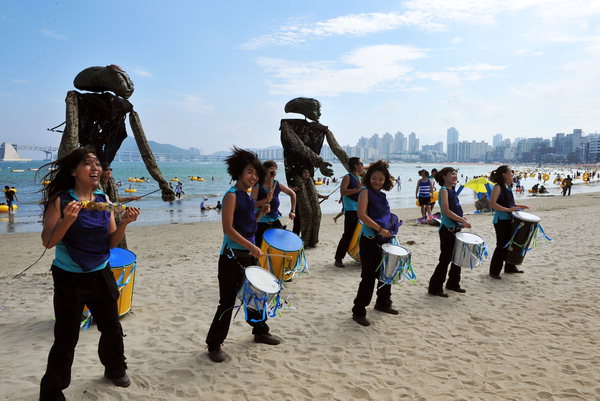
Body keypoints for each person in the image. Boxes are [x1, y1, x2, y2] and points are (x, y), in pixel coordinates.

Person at [38, 146, 140, 401]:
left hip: (100, 272)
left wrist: (125, 222)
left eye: (97, 164)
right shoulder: (61, 201)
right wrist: (68, 219)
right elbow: (48, 242)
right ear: (73, 171)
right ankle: (52, 391)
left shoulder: (103, 200)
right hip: (68, 277)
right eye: (87, 163)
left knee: (112, 327)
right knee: (66, 336)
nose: (95, 168)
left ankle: (115, 369)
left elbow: (110, 244)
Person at [205, 147, 282, 363]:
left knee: (256, 296)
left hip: (249, 254)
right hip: (232, 257)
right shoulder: (231, 196)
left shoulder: (248, 197)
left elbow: (248, 226)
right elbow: (228, 229)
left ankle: (260, 332)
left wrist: (260, 213)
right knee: (227, 302)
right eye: (250, 172)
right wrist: (252, 246)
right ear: (239, 172)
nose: (253, 177)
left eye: (256, 174)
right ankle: (214, 344)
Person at [351, 160, 400, 326]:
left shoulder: (382, 195)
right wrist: (379, 229)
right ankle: (358, 311)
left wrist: (389, 228)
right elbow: (361, 215)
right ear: (368, 178)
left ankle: (383, 303)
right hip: (370, 240)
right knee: (368, 277)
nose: (377, 182)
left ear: (385, 180)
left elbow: (384, 214)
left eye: (381, 179)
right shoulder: (365, 192)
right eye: (374, 178)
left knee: (386, 273)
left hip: (384, 238)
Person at [427, 167, 471, 297]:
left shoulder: (452, 190)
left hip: (456, 228)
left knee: (457, 258)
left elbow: (455, 208)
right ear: (444, 177)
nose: (455, 176)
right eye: (452, 174)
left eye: (455, 174)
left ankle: (453, 284)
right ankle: (434, 288)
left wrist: (462, 219)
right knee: (445, 259)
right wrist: (462, 220)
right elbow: (446, 211)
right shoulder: (444, 191)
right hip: (447, 229)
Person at [488, 166, 529, 279]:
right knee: (501, 245)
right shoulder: (498, 187)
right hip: (500, 220)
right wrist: (508, 210)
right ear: (504, 174)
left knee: (511, 244)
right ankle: (494, 271)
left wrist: (518, 206)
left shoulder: (508, 187)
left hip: (509, 219)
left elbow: (509, 203)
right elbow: (492, 204)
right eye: (511, 172)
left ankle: (509, 267)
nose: (513, 174)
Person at [251, 160, 297, 247]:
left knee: (280, 245)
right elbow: (252, 204)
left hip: (274, 220)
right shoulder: (258, 185)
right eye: (271, 168)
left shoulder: (277, 184)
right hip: (260, 221)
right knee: (260, 247)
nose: (274, 170)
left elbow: (293, 194)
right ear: (264, 170)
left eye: (276, 169)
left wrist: (293, 210)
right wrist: (266, 200)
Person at [334, 157, 365, 268]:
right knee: (348, 235)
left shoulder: (360, 178)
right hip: (351, 210)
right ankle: (338, 258)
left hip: (361, 211)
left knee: (362, 234)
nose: (363, 165)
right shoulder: (348, 177)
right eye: (361, 163)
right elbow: (343, 191)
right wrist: (357, 189)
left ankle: (361, 256)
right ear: (355, 166)